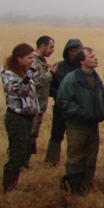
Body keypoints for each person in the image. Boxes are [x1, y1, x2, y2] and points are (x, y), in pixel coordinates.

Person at [56, 47, 104, 193]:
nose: (95, 58)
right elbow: (63, 102)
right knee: (76, 158)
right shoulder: (71, 79)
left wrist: (103, 109)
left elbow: (103, 97)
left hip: (93, 126)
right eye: (91, 56)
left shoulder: (96, 77)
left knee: (91, 158)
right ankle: (76, 189)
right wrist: (82, 112)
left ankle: (86, 187)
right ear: (81, 61)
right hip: (77, 126)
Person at [1, 43, 40, 192]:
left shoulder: (23, 73)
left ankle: (13, 187)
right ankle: (8, 190)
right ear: (19, 58)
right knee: (17, 154)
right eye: (29, 58)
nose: (32, 61)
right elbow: (15, 91)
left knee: (23, 152)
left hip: (27, 118)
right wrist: (28, 77)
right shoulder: (9, 74)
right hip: (16, 118)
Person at [45, 38, 83, 166]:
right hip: (60, 107)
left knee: (77, 136)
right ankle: (51, 161)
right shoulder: (58, 66)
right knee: (56, 134)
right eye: (70, 50)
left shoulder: (84, 68)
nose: (73, 53)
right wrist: (61, 96)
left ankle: (75, 162)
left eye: (76, 51)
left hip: (78, 107)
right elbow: (48, 87)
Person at [29, 36, 55, 158]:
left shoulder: (41, 61)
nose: (53, 50)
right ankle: (22, 162)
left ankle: (26, 161)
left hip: (39, 105)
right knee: (28, 135)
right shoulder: (33, 61)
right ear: (43, 46)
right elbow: (35, 81)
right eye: (51, 47)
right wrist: (51, 74)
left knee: (33, 135)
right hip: (33, 106)